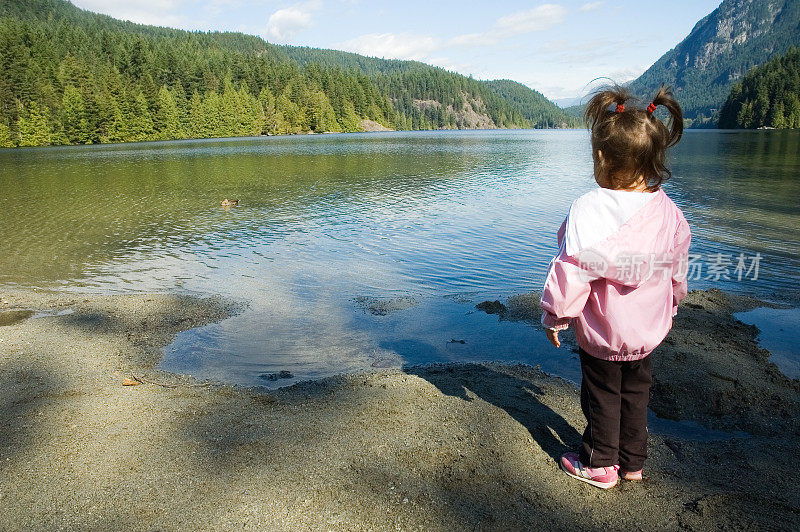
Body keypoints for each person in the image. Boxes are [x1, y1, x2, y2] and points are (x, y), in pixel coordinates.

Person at [539, 84, 691, 489]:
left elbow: (571, 270)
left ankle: (600, 463)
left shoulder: (588, 209)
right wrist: (673, 304)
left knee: (601, 395)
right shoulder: (669, 212)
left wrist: (557, 316)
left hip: (604, 332)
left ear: (602, 157)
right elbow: (675, 269)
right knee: (636, 395)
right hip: (645, 331)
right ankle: (633, 464)